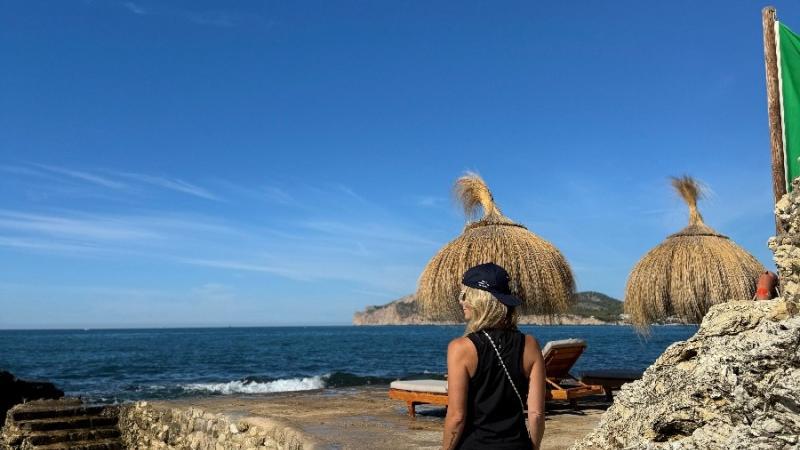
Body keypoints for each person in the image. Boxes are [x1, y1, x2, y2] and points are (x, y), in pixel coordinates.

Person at [442, 262, 546, 450]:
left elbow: (457, 417)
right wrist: (534, 447)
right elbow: (537, 414)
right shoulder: (530, 345)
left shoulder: (460, 348)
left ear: (479, 299)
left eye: (464, 295)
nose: (461, 301)